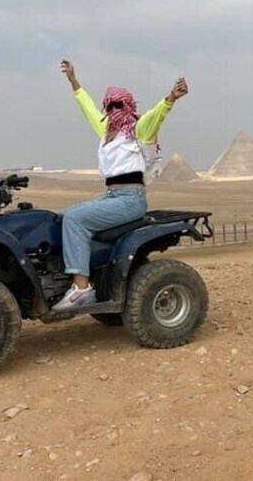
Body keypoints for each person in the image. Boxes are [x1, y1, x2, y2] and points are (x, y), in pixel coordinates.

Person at [53, 60, 188, 311]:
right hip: (112, 195)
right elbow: (88, 109)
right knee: (62, 218)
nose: (113, 108)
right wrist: (73, 81)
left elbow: (156, 116)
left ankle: (81, 289)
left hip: (130, 198)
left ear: (128, 105)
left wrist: (171, 97)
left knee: (75, 220)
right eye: (110, 104)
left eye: (119, 104)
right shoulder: (106, 131)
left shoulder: (137, 131)